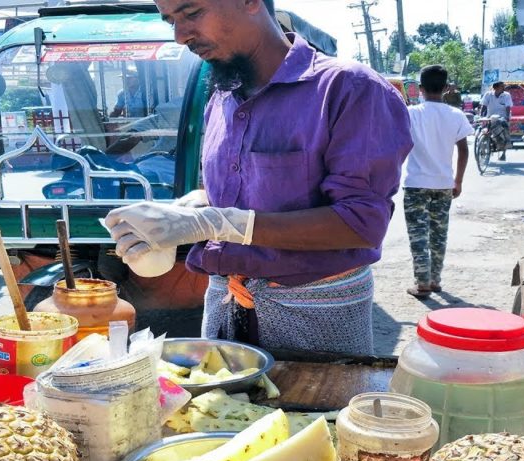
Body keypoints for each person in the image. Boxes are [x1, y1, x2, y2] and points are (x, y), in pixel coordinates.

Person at [104, 0, 412, 355]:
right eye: (171, 20)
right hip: (225, 303)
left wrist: (214, 222)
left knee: (311, 410)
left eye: (191, 14)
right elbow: (252, 194)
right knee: (219, 409)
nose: (180, 36)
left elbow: (361, 223)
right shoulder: (222, 99)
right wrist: (193, 207)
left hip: (316, 315)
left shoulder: (348, 89)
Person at [401, 65, 473, 299]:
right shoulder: (456, 115)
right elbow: (463, 151)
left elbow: (397, 145)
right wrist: (458, 180)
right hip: (444, 184)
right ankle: (434, 280)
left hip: (415, 184)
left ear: (420, 89)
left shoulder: (411, 113)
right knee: (439, 234)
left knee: (418, 235)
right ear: (445, 88)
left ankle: (422, 283)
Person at [481, 80, 512, 160]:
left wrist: (507, 117)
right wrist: (481, 116)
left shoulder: (506, 95)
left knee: (503, 130)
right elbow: (484, 106)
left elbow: (508, 107)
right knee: (483, 129)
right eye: (502, 86)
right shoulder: (488, 94)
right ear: (495, 88)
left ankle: (504, 152)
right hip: (490, 116)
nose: (503, 88)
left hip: (503, 116)